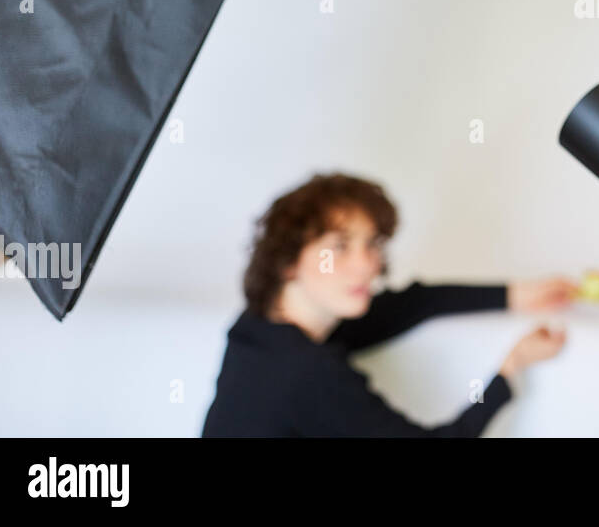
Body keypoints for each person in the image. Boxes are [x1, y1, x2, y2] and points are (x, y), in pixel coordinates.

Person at [202, 173, 574, 436]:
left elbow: (413, 303)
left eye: (373, 244)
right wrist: (511, 370)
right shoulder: (308, 372)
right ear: (287, 261)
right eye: (340, 246)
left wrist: (513, 294)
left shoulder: (255, 331)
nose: (368, 265)